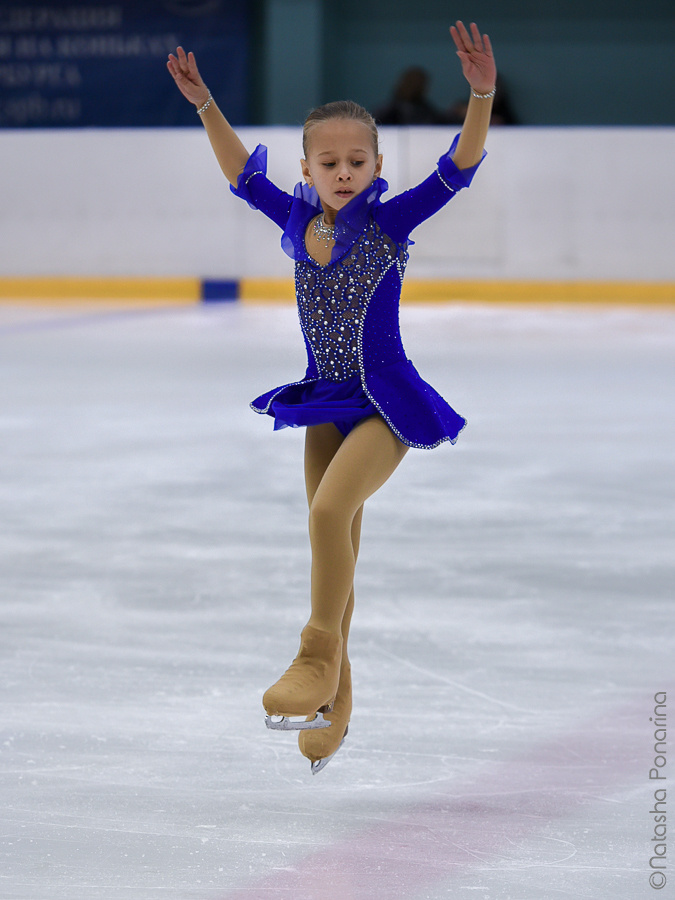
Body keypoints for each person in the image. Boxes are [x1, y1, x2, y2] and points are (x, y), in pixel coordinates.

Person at [167, 20, 496, 775]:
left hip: (385, 402)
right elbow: (240, 177)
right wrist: (206, 105)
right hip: (325, 399)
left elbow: (459, 166)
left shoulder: (388, 221)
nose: (342, 171)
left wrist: (479, 94)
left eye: (356, 160)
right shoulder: (294, 217)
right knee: (336, 540)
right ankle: (333, 710)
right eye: (329, 161)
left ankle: (314, 657)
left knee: (327, 514)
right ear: (308, 168)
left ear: (376, 164)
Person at [374, 66, 447, 125]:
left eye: (418, 84)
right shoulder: (385, 114)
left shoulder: (427, 112)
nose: (414, 86)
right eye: (411, 82)